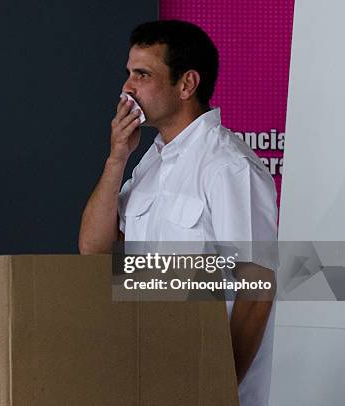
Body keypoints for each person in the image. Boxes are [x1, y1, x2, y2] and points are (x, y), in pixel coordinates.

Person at [78, 20, 277, 406]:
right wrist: (117, 158)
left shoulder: (228, 167)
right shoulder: (149, 163)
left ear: (187, 84)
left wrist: (216, 387)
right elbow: (95, 250)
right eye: (128, 74)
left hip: (208, 388)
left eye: (143, 74)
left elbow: (257, 289)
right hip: (148, 378)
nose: (127, 88)